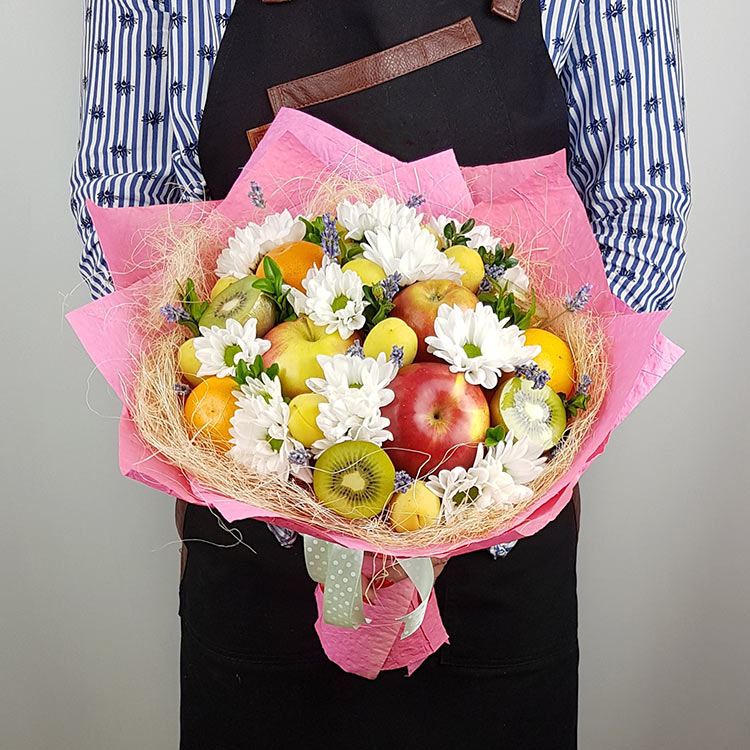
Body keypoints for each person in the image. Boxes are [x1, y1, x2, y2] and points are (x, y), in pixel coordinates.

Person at [70, 2, 690, 747]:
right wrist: (281, 475)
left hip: (501, 533)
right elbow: (124, 204)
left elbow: (644, 211)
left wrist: (487, 479)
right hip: (254, 530)